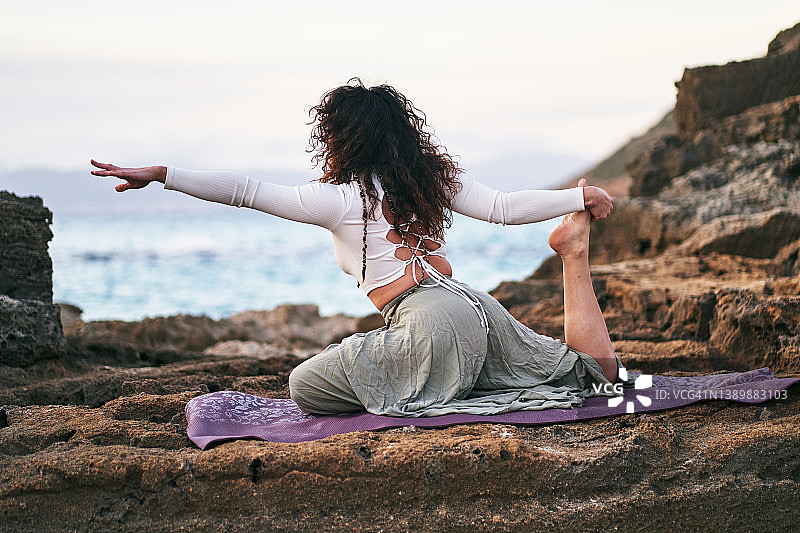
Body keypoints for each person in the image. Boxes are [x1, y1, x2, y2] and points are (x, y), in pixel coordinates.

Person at [91, 78, 626, 417]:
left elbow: (245, 192)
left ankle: (448, 382)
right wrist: (577, 195)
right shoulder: (429, 178)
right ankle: (573, 252)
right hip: (474, 305)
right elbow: (505, 208)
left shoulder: (341, 199)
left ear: (340, 140)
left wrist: (162, 174)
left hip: (432, 321)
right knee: (591, 375)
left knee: (304, 385)